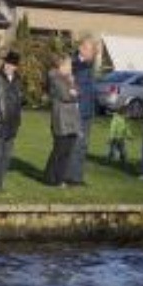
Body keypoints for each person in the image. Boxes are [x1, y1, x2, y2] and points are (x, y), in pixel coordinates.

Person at [0, 51, 24, 193]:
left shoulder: (18, 80)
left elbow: (19, 101)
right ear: (4, 63)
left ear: (16, 66)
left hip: (12, 124)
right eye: (7, 63)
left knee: (6, 158)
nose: (9, 66)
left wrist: (18, 119)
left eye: (12, 64)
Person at [65, 37, 98, 187]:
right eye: (92, 50)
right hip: (77, 110)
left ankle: (77, 176)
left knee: (83, 145)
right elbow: (70, 87)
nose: (95, 53)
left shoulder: (89, 65)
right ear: (82, 49)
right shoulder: (74, 64)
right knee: (76, 144)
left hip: (88, 112)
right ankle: (70, 176)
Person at [44, 55, 81, 187]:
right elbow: (65, 95)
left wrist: (73, 87)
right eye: (69, 65)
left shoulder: (67, 78)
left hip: (71, 118)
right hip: (61, 118)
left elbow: (78, 92)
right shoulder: (54, 77)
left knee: (67, 150)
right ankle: (50, 177)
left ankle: (59, 178)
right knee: (60, 149)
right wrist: (72, 90)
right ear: (62, 66)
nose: (71, 68)